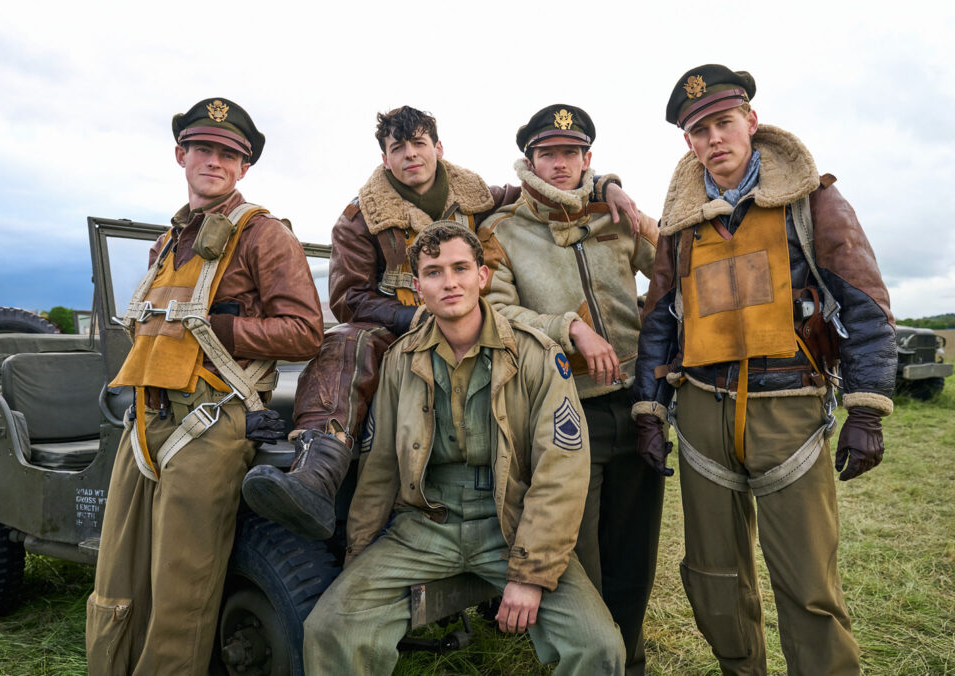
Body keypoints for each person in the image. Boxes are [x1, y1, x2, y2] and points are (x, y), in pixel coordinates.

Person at [242, 105, 640, 542]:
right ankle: (318, 468)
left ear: (438, 148)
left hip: (473, 323)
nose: (411, 155)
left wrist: (606, 183)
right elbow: (348, 298)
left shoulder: (478, 195)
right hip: (395, 328)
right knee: (344, 342)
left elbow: (543, 186)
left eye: (418, 143)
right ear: (385, 159)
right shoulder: (360, 219)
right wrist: (414, 316)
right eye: (398, 148)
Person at [632, 65, 896, 675]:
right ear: (688, 143)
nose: (713, 140)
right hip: (701, 410)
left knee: (807, 582)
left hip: (790, 411)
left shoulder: (813, 201)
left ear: (751, 121)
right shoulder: (681, 224)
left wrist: (866, 410)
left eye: (723, 123)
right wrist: (650, 410)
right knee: (713, 578)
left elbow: (866, 306)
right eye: (699, 132)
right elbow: (659, 322)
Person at [302, 222, 625, 675]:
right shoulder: (401, 359)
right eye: (434, 272)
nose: (449, 282)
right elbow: (379, 471)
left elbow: (561, 470)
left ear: (482, 276)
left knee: (598, 646)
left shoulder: (534, 355)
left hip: (509, 522)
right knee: (329, 627)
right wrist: (358, 559)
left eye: (460, 268)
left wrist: (530, 576)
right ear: (417, 288)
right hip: (425, 523)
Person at [85, 97, 324, 675]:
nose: (213, 161)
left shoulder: (264, 236)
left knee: (180, 591)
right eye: (203, 148)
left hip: (211, 422)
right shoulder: (166, 243)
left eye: (228, 154)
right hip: (145, 420)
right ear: (180, 154)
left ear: (244, 168)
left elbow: (305, 332)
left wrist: (216, 325)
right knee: (115, 579)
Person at [478, 103, 662, 675]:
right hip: (563, 412)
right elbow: (497, 310)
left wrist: (624, 200)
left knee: (634, 549)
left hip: (636, 404)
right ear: (529, 159)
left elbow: (674, 272)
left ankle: (626, 660)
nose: (559, 165)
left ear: (588, 158)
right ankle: (581, 660)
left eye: (571, 153)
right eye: (547, 154)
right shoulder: (502, 231)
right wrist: (568, 326)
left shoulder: (617, 217)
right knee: (577, 558)